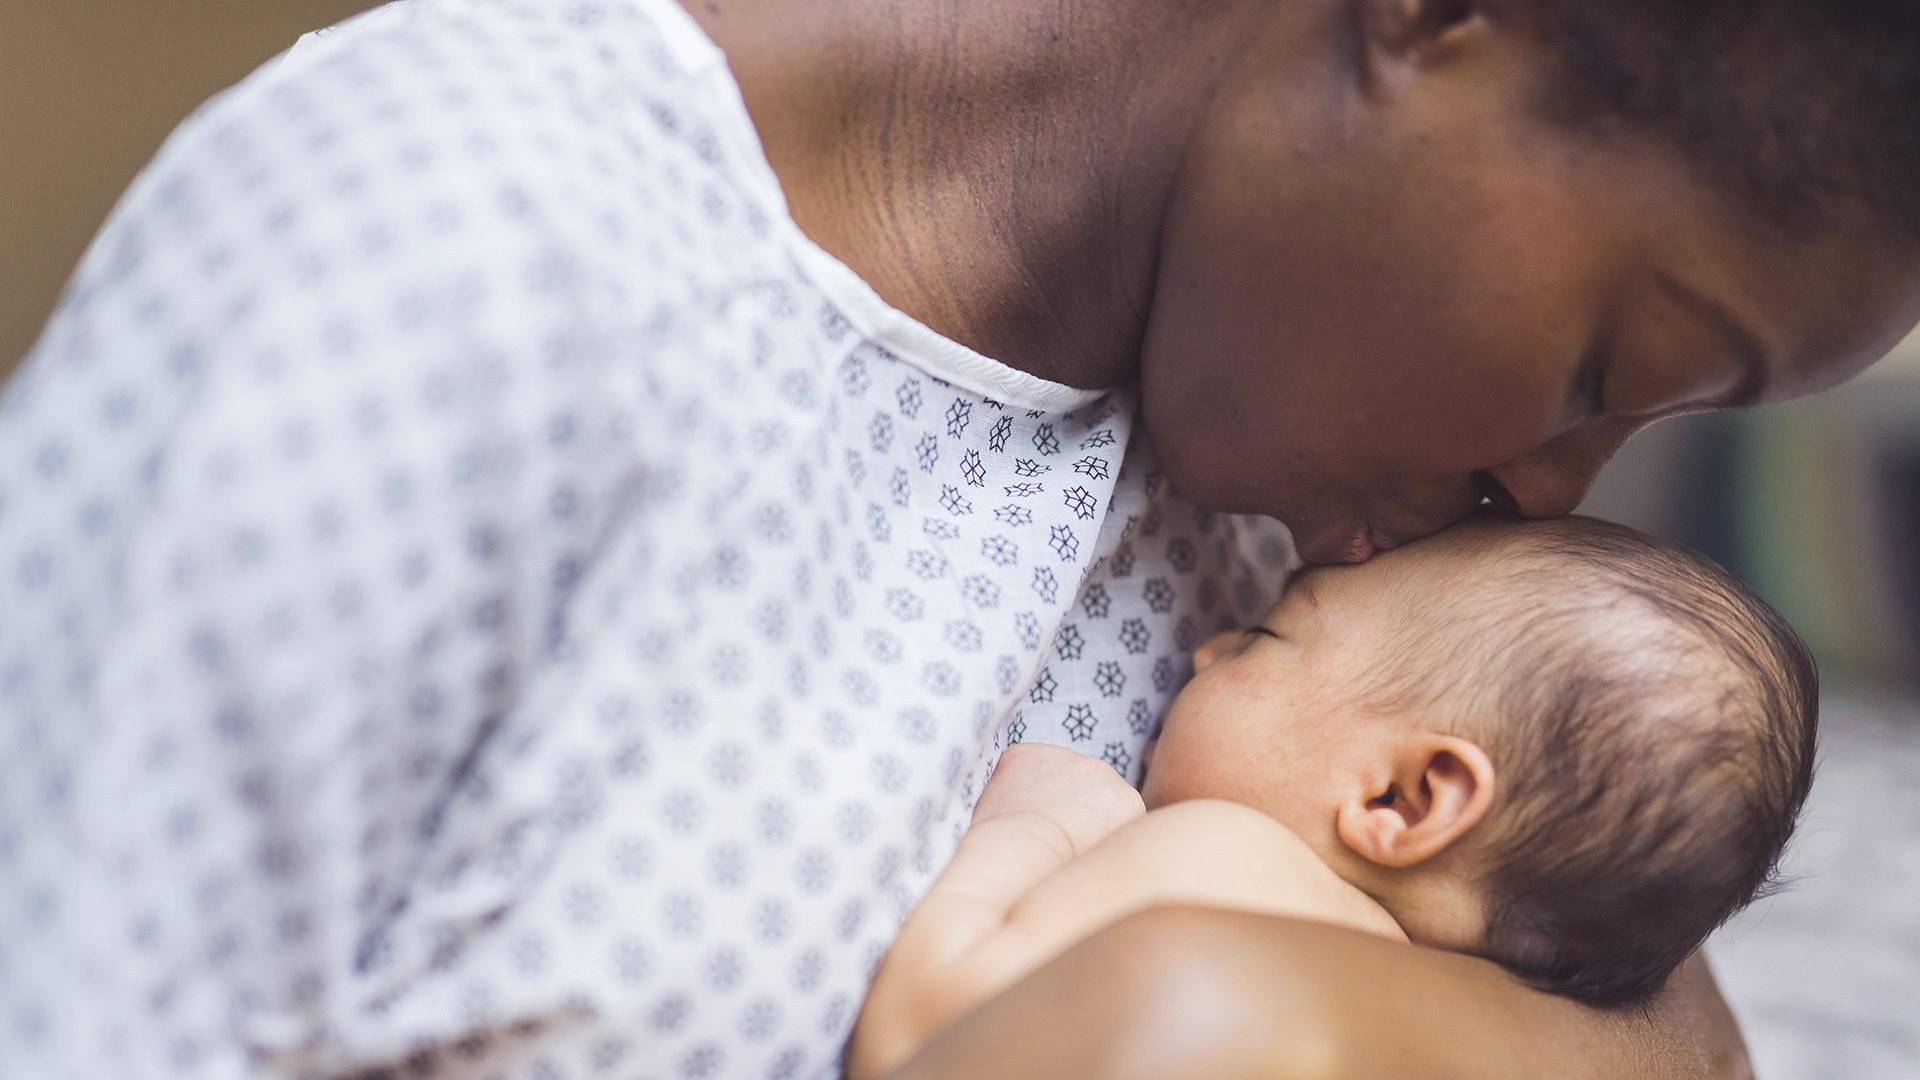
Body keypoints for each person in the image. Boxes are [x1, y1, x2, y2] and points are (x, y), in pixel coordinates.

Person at [0, 0, 1916, 1075]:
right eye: (1609, 362)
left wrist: (1255, 1018)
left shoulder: (1291, 489)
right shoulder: (454, 259)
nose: (1552, 495)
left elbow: (1674, 1032)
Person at [850, 515, 1816, 1078]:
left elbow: (919, 1030)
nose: (1209, 647)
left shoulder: (1224, 863)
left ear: (1402, 800)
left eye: (1269, 636)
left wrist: (1043, 818)